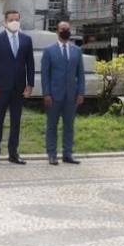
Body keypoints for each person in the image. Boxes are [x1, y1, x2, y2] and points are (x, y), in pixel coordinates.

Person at [0, 10, 34, 165]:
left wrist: (30, 84)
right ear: (5, 22)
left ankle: (13, 153)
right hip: (1, 88)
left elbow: (30, 64)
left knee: (16, 122)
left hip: (19, 88)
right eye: (11, 19)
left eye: (17, 19)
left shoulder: (26, 40)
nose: (14, 22)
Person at [41, 21, 85, 165]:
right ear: (57, 32)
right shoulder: (49, 50)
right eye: (62, 29)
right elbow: (45, 74)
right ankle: (52, 154)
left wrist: (81, 93)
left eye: (67, 29)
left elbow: (81, 74)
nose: (65, 31)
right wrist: (46, 93)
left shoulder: (77, 50)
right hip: (53, 95)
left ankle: (68, 154)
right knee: (52, 126)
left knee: (69, 126)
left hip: (71, 96)